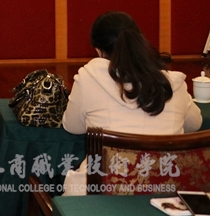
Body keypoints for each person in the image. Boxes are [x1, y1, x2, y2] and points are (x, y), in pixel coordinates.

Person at [62, 11, 202, 195]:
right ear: (139, 41)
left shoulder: (88, 77)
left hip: (103, 194)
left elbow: (72, 126)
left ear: (98, 50)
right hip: (164, 191)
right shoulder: (172, 82)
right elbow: (195, 123)